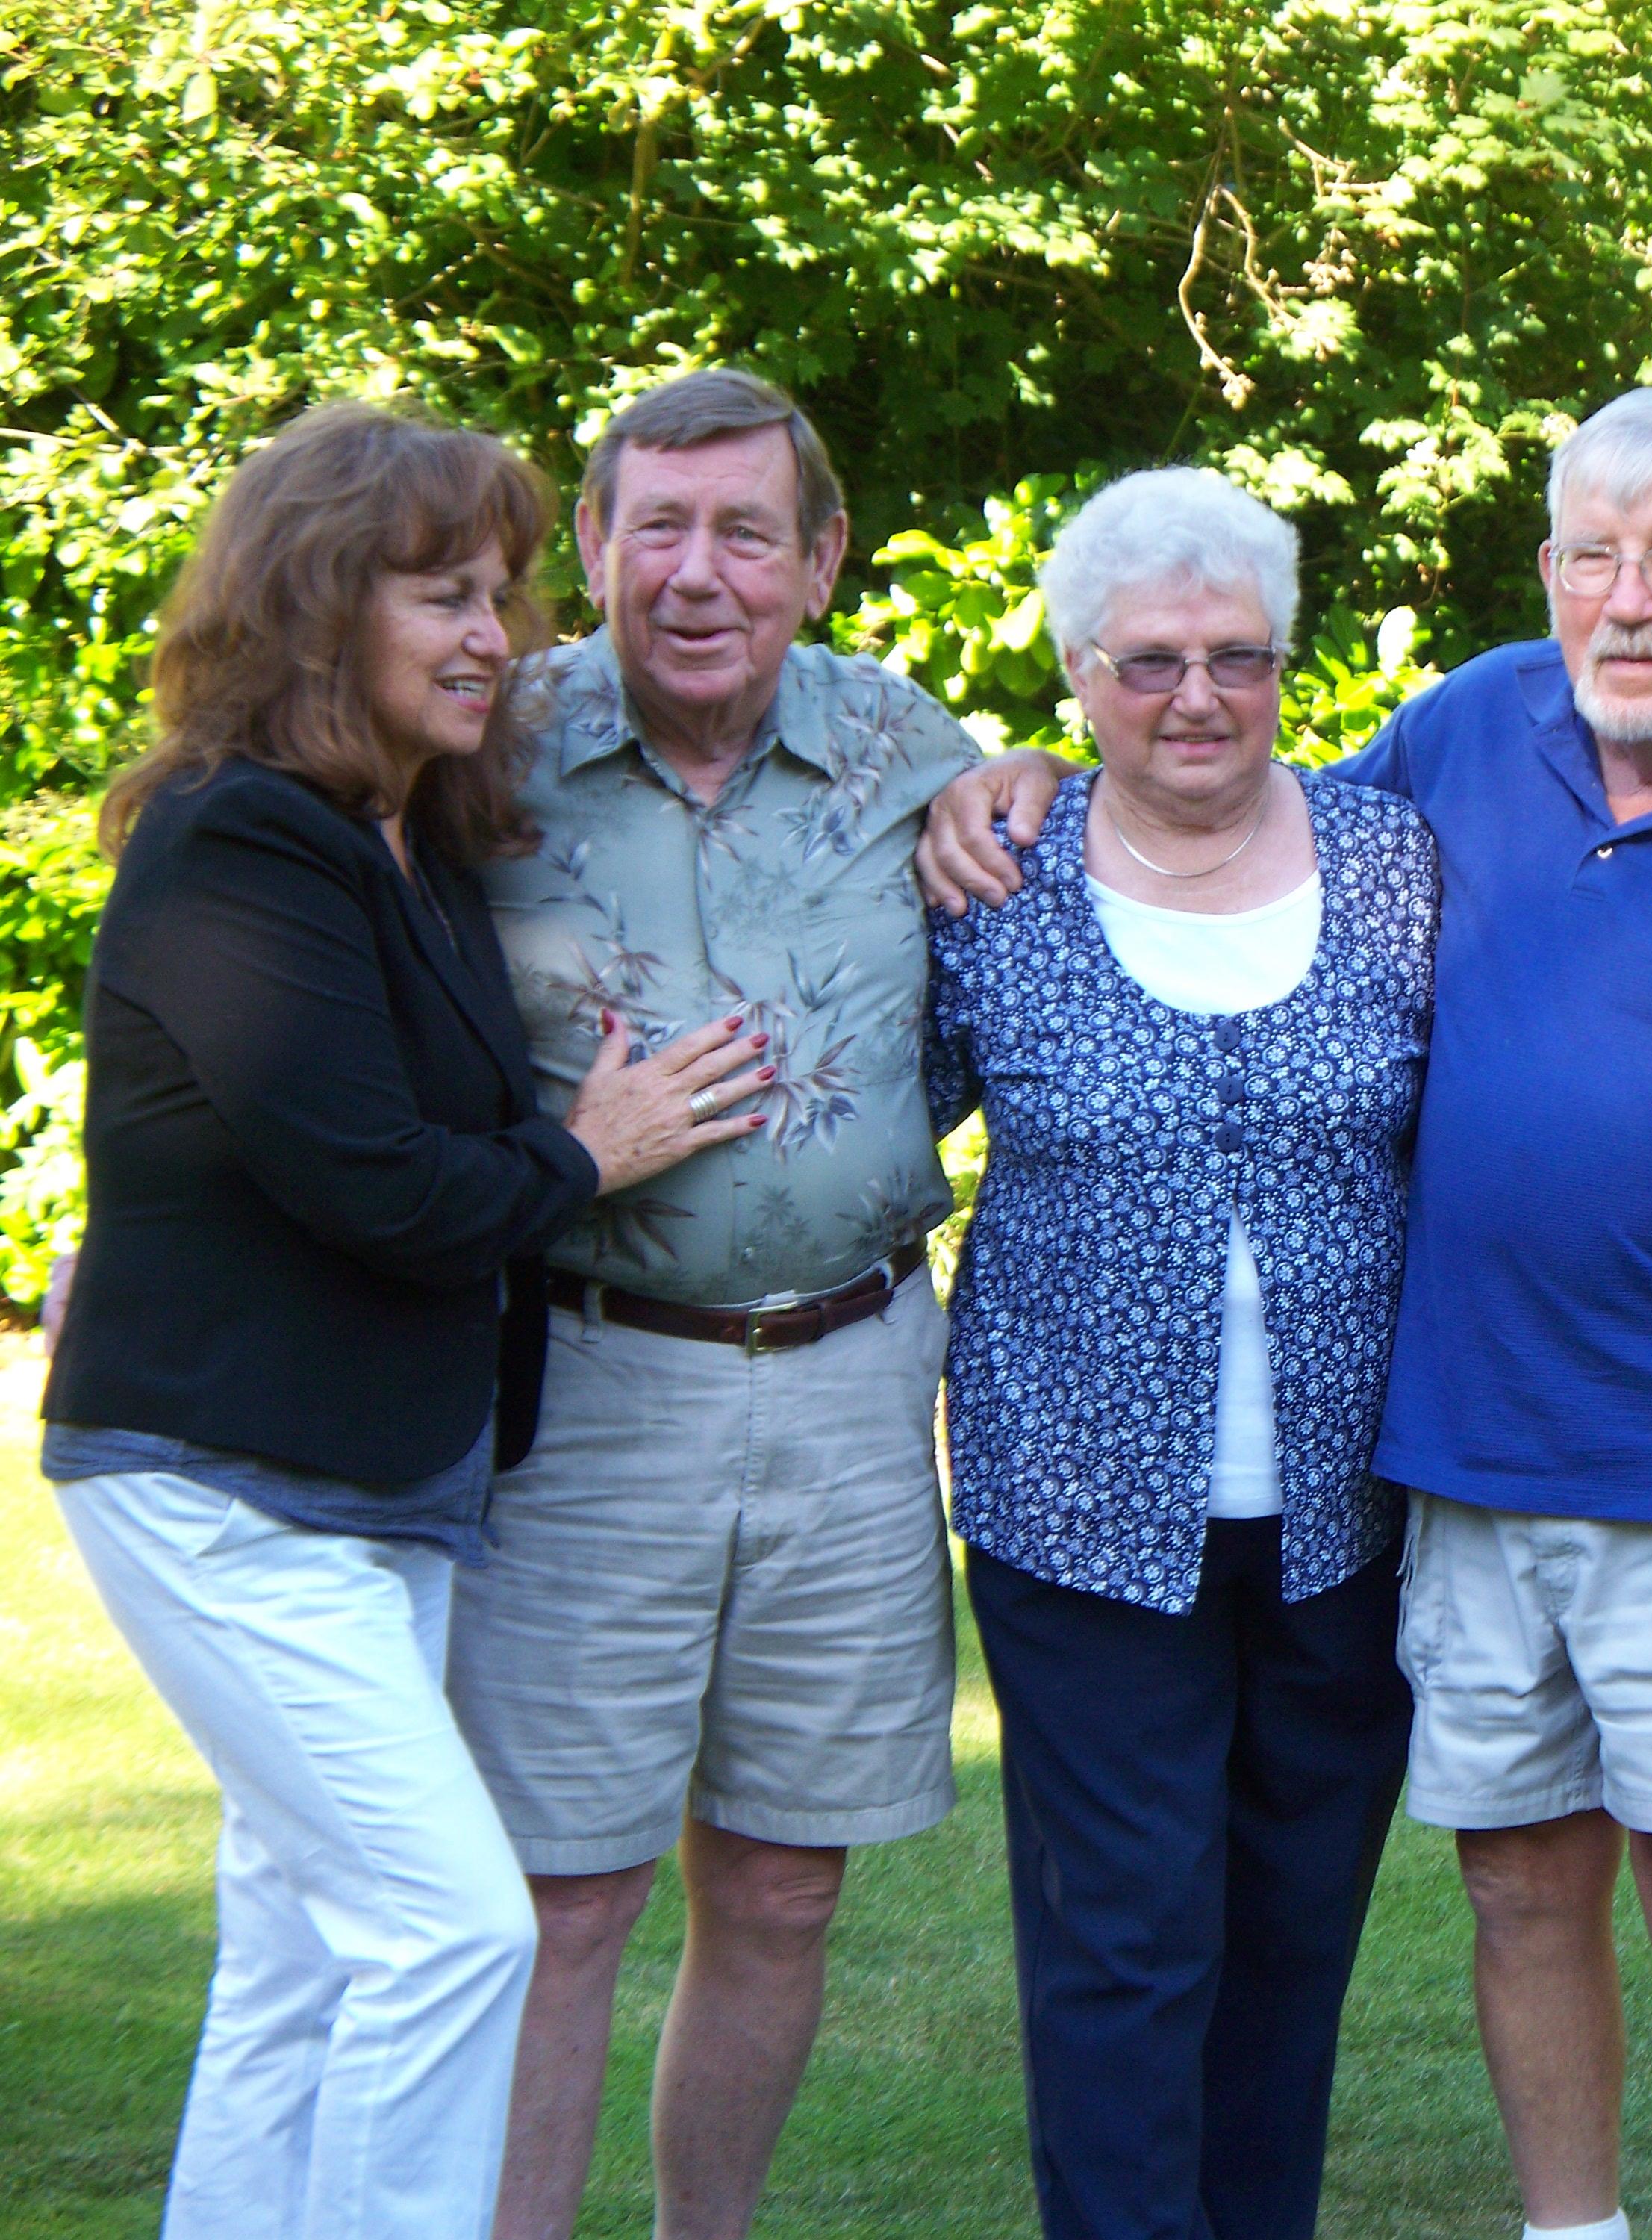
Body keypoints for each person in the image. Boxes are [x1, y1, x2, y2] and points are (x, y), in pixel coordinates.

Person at [923, 386, 1652, 2240]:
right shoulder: (1468, 732)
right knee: (1512, 1891)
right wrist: (1012, 773)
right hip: (1452, 1478)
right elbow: (1209, 814)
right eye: (1592, 554)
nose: (1628, 599)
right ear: (1544, 573)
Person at [37, 402, 760, 2239]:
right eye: (445, 595)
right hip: (221, 1484)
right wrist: (588, 1152)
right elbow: (384, 1188)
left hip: (376, 1490)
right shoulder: (237, 847)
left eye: (503, 597)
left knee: (294, 1955)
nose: (495, 640)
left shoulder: (401, 844)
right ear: (313, 604)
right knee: (450, 1930)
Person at [440, 369, 983, 2240]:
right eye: (653, 528)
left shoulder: (911, 743)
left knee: (781, 1883)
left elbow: (1064, 873)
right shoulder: (471, 755)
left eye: (744, 532)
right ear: (586, 546)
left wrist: (1038, 777)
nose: (695, 573)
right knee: (561, 1890)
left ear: (820, 560)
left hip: (853, 1379)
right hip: (585, 1387)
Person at [926, 467, 1436, 2240]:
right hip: (1075, 1508)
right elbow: (871, 1138)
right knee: (1126, 1939)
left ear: (1285, 661)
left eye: (1238, 655)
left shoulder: (1391, 858)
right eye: (1148, 663)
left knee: (1293, 1941)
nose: (1197, 696)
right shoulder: (992, 871)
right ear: (1076, 671)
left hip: (1343, 1516)